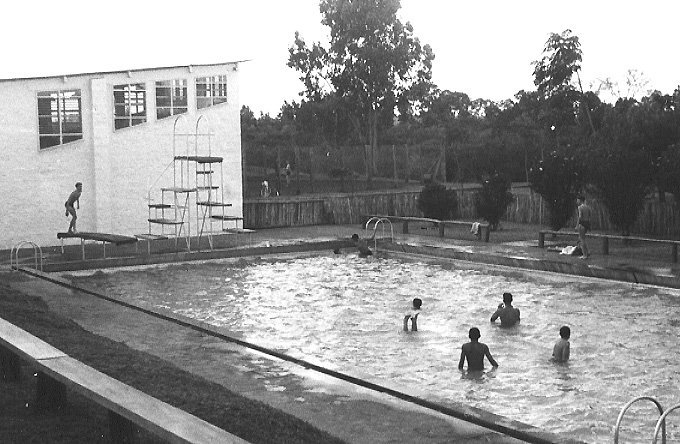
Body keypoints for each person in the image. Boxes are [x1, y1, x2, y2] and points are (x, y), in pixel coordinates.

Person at [575, 195, 592, 259]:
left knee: (582, 240)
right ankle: (588, 252)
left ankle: (584, 255)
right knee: (582, 238)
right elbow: (590, 216)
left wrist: (577, 225)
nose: (577, 201)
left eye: (577, 200)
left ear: (580, 200)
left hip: (582, 224)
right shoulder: (588, 207)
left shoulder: (580, 207)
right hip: (587, 224)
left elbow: (580, 217)